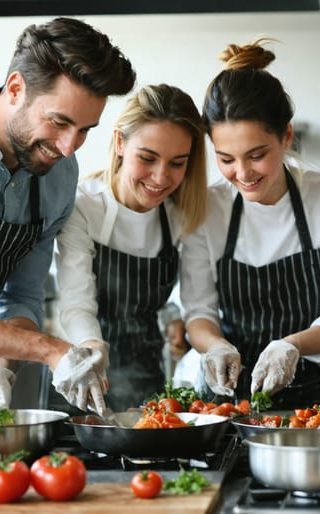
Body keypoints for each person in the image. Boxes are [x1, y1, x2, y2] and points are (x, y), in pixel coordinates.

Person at [180, 39, 320, 408]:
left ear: (286, 136)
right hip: (232, 396)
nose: (243, 173)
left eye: (257, 155)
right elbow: (198, 312)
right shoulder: (207, 207)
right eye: (226, 158)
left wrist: (291, 345)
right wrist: (215, 346)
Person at [0, 17, 135, 413]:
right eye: (59, 122)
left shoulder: (59, 174)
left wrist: (9, 355)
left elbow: (21, 295)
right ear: (15, 89)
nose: (68, 147)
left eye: (85, 130)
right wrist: (50, 349)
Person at [56, 84, 207, 411]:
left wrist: (181, 320)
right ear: (120, 142)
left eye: (177, 162)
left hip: (145, 381)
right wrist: (92, 349)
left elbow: (195, 297)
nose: (160, 177)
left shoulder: (179, 216)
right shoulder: (83, 206)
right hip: (77, 374)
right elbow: (75, 302)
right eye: (147, 158)